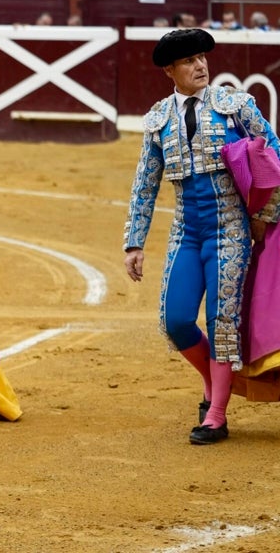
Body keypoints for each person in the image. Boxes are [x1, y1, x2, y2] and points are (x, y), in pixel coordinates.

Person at [124, 29, 280, 445]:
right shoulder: (158, 118)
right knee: (175, 320)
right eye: (189, 61)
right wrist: (134, 242)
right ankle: (213, 382)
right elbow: (145, 183)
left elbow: (273, 151)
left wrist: (265, 212)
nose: (200, 66)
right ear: (169, 71)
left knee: (222, 322)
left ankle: (216, 414)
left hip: (229, 229)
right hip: (186, 232)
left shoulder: (235, 106)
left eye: (202, 58)